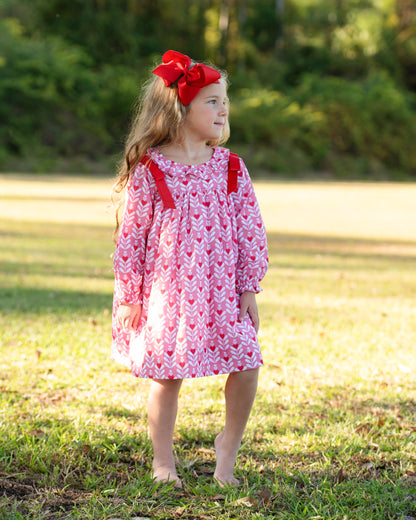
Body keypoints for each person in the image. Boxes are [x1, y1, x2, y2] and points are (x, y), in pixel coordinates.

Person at [111, 50, 268, 488]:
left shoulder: (230, 167)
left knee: (248, 361)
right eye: (212, 101)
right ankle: (163, 461)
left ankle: (227, 451)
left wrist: (248, 288)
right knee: (167, 376)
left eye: (225, 102)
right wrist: (129, 295)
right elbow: (133, 238)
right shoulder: (152, 168)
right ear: (181, 107)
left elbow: (249, 228)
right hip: (169, 294)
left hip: (221, 292)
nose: (223, 110)